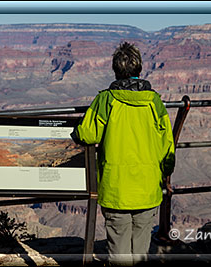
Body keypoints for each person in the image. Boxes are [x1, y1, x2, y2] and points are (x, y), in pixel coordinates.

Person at [72, 42, 175, 266]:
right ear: (139, 69)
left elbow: (87, 134)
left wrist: (76, 131)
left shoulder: (106, 100)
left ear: (116, 70)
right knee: (140, 248)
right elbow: (168, 146)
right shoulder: (155, 102)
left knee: (118, 249)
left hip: (116, 187)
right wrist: (165, 173)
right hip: (147, 187)